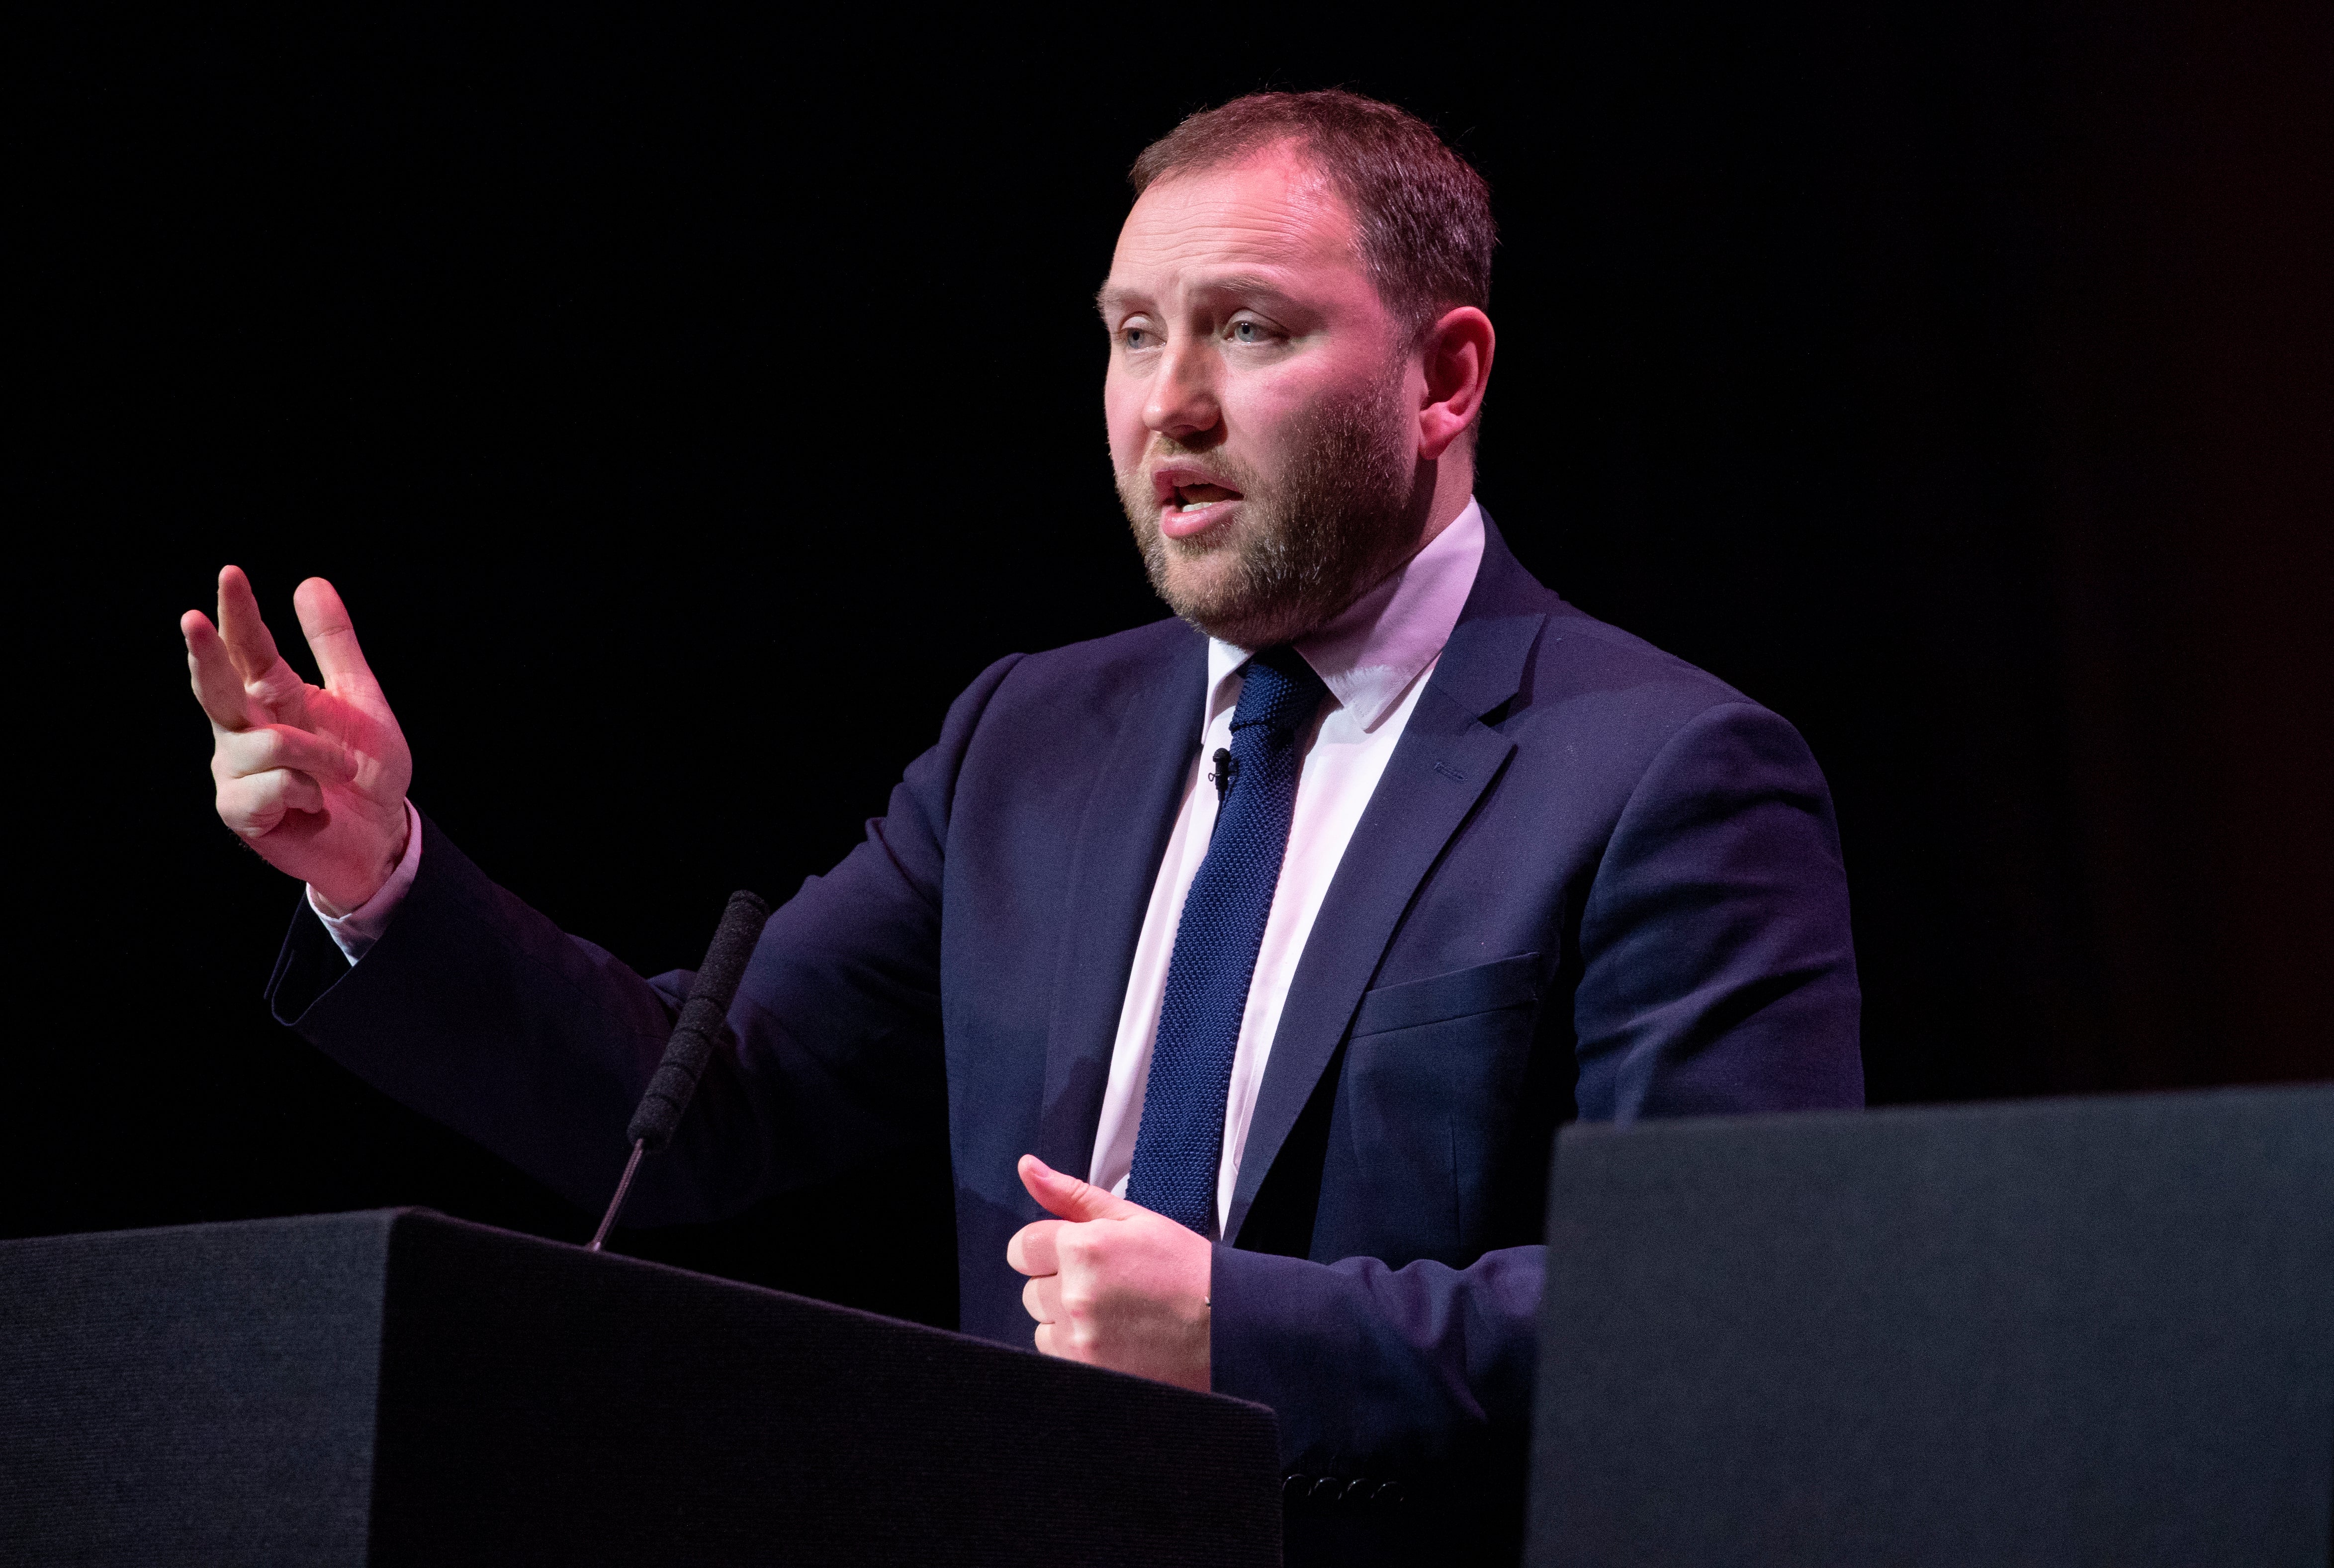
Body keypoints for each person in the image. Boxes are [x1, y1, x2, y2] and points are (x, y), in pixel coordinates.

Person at [182, 90, 1862, 1564]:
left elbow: (1733, 1320)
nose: (1169, 404)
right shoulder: (1028, 740)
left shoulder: (1663, 773)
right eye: (1134, 333)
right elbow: (693, 1104)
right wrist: (381, 878)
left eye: (1251, 330)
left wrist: (1239, 1324)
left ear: (1446, 376)